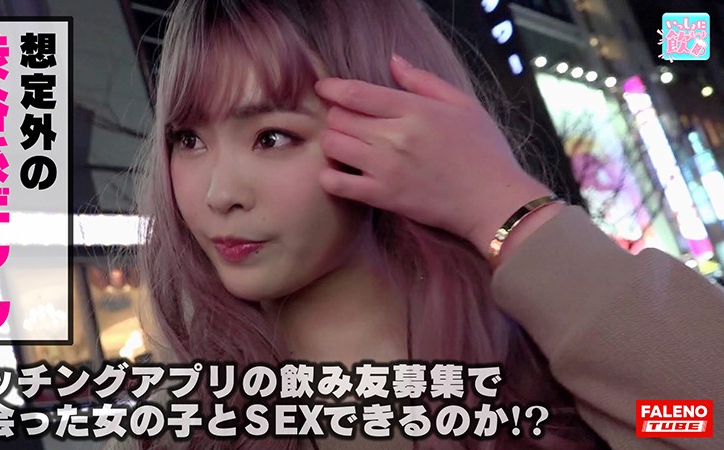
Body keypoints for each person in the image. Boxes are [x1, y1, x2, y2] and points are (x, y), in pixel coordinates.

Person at [119, 0, 724, 448]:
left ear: (404, 129)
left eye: (272, 137)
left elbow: (705, 415)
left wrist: (503, 207)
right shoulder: (183, 420)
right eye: (188, 139)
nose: (219, 195)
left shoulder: (550, 364)